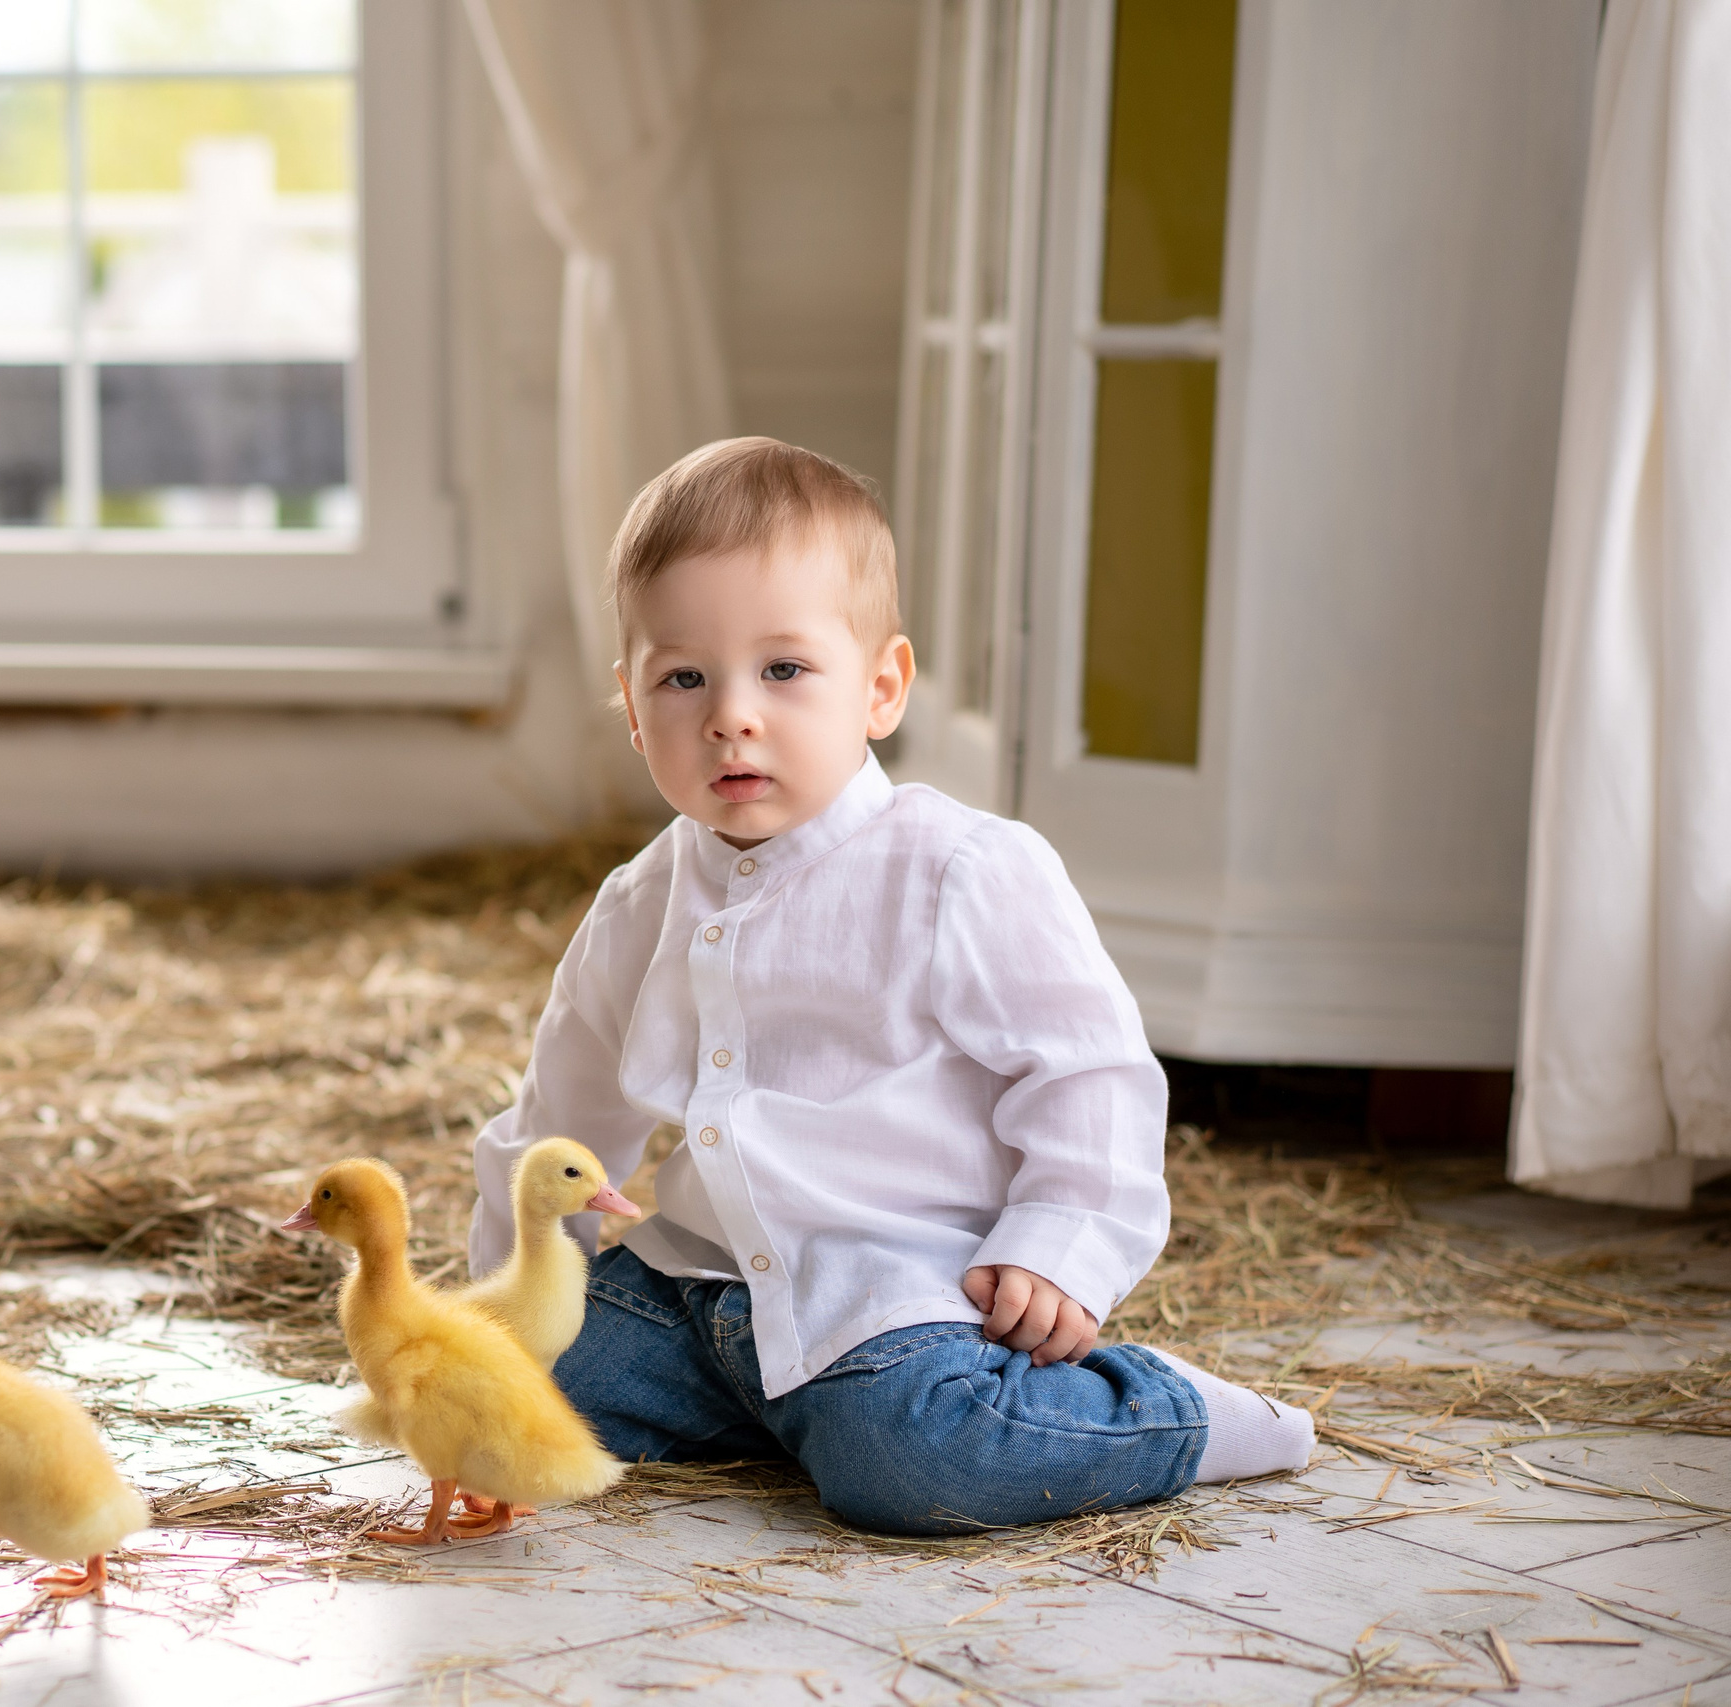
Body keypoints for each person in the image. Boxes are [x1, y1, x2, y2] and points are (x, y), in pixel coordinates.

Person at [468, 436, 1312, 1534]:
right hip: (691, 1287)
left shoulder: (959, 870)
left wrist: (1058, 1243)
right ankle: (783, 1414)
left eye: (783, 670)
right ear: (632, 710)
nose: (732, 713)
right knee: (518, 1407)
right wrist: (511, 1306)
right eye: (683, 677)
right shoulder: (640, 902)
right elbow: (559, 1125)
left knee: (911, 1463)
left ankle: (1163, 1415)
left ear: (880, 688)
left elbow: (1086, 1075)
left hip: (893, 1295)